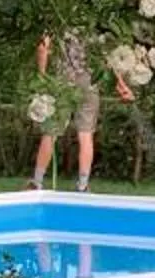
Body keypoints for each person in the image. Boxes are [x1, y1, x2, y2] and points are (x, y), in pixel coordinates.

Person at [29, 31, 132, 194]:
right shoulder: (95, 27)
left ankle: (37, 182)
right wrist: (121, 86)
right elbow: (107, 60)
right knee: (86, 135)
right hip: (89, 84)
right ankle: (83, 185)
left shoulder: (57, 22)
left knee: (50, 133)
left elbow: (43, 48)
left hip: (62, 83)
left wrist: (42, 78)